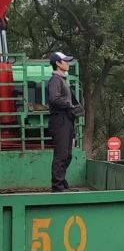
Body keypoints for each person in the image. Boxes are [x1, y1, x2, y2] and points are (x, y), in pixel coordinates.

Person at [47, 51, 76, 192]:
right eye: (65, 61)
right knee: (61, 154)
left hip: (67, 119)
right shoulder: (55, 80)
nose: (67, 63)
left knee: (67, 154)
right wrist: (69, 105)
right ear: (58, 63)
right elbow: (54, 99)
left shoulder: (63, 80)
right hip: (59, 120)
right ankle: (57, 186)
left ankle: (61, 182)